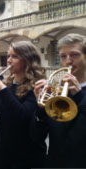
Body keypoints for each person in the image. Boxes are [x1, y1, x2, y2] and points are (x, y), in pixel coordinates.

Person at [0, 41, 46, 169]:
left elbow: (23, 116)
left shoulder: (37, 86)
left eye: (14, 56)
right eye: (8, 56)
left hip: (27, 154)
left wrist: (2, 89)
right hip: (5, 151)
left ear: (27, 60)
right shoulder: (8, 84)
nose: (9, 61)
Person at [34, 33, 86, 168]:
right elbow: (36, 136)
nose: (68, 61)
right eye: (63, 56)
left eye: (74, 55)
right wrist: (40, 108)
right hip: (55, 162)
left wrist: (80, 96)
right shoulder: (56, 91)